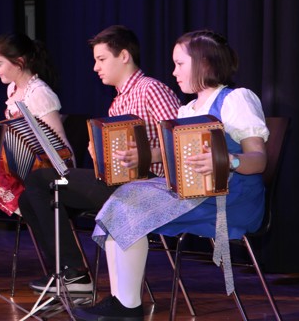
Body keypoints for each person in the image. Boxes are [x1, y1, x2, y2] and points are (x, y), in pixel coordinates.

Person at [74, 30, 268, 320]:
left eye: (179, 64)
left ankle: (127, 307)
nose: (173, 72)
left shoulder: (236, 99)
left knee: (131, 202)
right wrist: (140, 154)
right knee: (124, 198)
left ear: (204, 63)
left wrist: (230, 160)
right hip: (194, 193)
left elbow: (259, 159)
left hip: (230, 197)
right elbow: (170, 155)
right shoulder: (188, 109)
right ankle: (120, 301)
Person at [18, 25, 181, 295]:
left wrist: (143, 155)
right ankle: (71, 271)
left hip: (151, 186)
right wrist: (100, 156)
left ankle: (75, 274)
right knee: (30, 198)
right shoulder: (117, 103)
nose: (96, 67)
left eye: (101, 59)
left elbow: (181, 140)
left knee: (39, 179)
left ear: (125, 56)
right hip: (123, 183)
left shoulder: (151, 89)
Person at [0, 33, 76, 217]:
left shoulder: (39, 93)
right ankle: (31, 214)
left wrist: (66, 175)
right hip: (23, 167)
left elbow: (59, 142)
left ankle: (35, 213)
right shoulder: (13, 88)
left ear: (19, 62)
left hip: (44, 170)